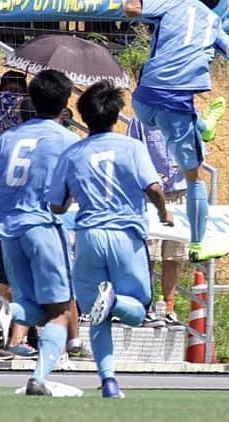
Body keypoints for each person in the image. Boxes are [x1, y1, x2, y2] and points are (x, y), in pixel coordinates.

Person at [121, 0, 229, 262]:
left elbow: (129, 9)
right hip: (174, 106)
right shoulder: (214, 23)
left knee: (185, 118)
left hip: (142, 102)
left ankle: (204, 125)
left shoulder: (174, 3)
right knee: (195, 179)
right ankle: (197, 245)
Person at [0, 70, 79, 397]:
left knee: (29, 305)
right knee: (60, 308)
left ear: (30, 101)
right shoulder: (66, 140)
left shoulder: (8, 138)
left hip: (8, 231)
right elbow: (73, 192)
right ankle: (39, 377)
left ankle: (7, 310)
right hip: (43, 227)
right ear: (65, 105)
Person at [49, 81, 173, 399]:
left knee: (97, 314)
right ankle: (115, 302)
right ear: (116, 116)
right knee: (139, 308)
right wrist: (163, 214)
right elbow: (154, 188)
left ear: (84, 117)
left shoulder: (73, 152)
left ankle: (109, 381)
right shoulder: (131, 147)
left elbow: (58, 204)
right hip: (125, 235)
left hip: (89, 236)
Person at [128, 116, 187, 326]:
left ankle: (169, 308)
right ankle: (147, 306)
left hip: (180, 192)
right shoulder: (139, 121)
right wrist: (150, 175)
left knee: (174, 255)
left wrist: (182, 164)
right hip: (150, 194)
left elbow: (197, 152)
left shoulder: (185, 116)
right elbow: (132, 155)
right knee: (148, 256)